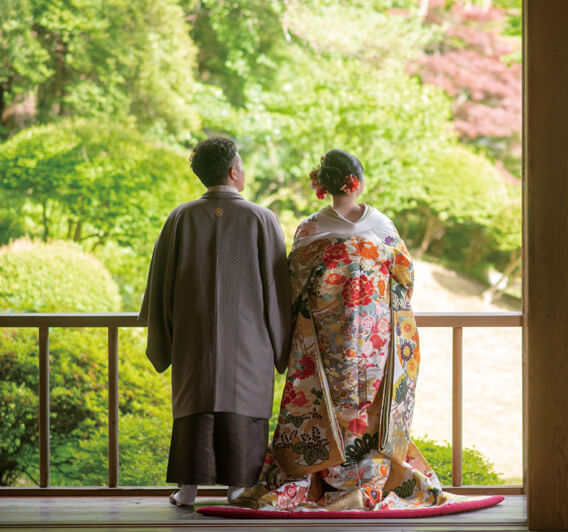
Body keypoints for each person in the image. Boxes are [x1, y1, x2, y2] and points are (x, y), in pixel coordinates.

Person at [238, 149, 453, 511]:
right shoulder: (382, 226)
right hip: (375, 337)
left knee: (328, 404)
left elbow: (293, 286)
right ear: (359, 181)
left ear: (321, 184)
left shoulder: (311, 228)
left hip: (326, 335)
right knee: (368, 406)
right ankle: (370, 477)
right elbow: (405, 279)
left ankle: (323, 477)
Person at [140, 137, 292, 507]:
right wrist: (281, 343)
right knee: (243, 400)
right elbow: (278, 291)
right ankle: (237, 488)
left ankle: (188, 489)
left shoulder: (180, 217)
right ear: (233, 171)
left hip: (194, 338)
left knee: (196, 403)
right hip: (249, 338)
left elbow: (160, 285)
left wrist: (166, 332)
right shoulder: (261, 218)